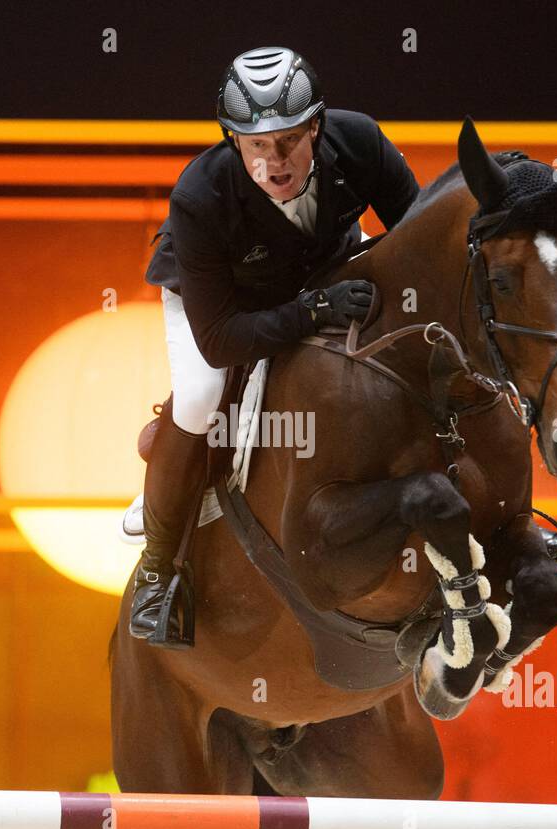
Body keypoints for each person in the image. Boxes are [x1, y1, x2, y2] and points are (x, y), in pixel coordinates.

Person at [128, 46, 419, 646]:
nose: (275, 160)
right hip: (223, 301)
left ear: (317, 125)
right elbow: (220, 340)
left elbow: (413, 237)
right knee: (203, 394)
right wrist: (311, 311)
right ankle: (159, 569)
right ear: (233, 140)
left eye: (289, 139)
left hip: (323, 263)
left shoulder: (359, 142)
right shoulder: (199, 197)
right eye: (257, 144)